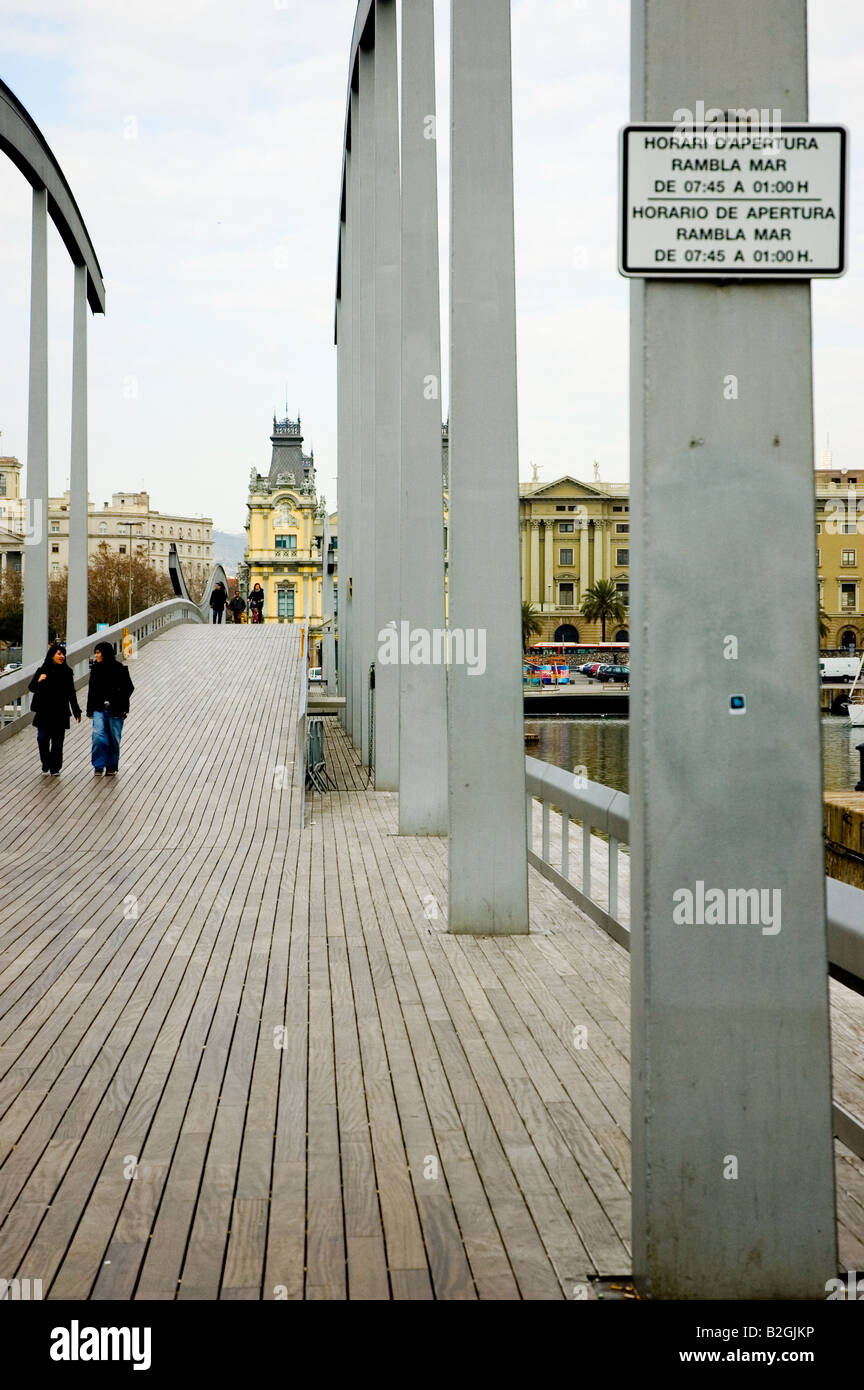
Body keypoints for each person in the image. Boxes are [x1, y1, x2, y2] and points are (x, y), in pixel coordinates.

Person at [28, 642, 81, 776]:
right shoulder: (42, 670)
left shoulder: (67, 672)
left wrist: (76, 710)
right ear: (52, 656)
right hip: (44, 711)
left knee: (58, 742)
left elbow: (71, 693)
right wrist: (39, 680)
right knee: (42, 738)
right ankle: (46, 762)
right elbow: (32, 687)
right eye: (59, 654)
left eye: (63, 654)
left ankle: (55, 768)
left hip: (60, 712)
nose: (62, 656)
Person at [87, 641, 134, 778]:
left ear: (105, 653)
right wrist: (89, 710)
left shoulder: (120, 668)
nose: (96, 655)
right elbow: (91, 690)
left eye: (98, 652)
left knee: (114, 738)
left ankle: (111, 766)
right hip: (98, 708)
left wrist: (124, 706)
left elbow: (128, 688)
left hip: (116, 709)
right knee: (98, 736)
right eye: (95, 653)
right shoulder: (95, 669)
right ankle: (98, 765)